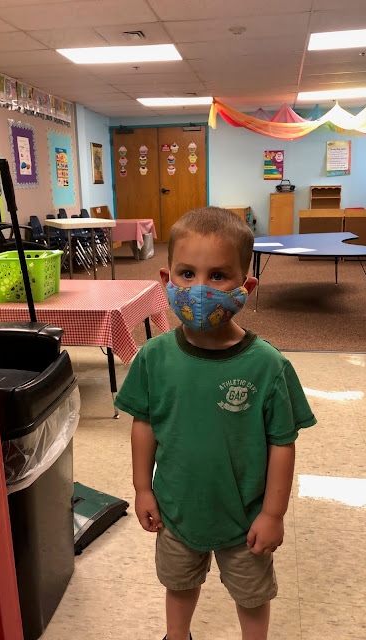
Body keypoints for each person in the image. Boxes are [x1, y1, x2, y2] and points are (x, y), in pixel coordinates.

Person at [114, 207, 316, 640]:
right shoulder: (153, 358)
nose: (199, 289)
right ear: (167, 279)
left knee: (251, 595)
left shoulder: (268, 366)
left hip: (245, 517)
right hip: (176, 510)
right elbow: (143, 424)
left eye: (218, 276)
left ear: (247, 287)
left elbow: (282, 443)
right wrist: (143, 488)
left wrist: (273, 514)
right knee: (179, 583)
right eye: (187, 274)